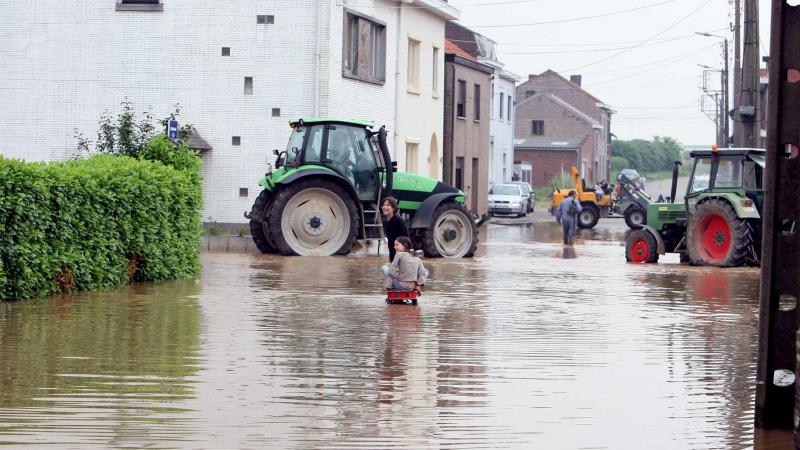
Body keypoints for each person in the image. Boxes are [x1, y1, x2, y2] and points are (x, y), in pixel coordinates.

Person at [381, 196, 408, 262]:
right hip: (392, 252)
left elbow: (406, 238)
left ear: (393, 208)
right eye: (384, 205)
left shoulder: (399, 221)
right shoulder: (385, 222)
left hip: (401, 254)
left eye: (388, 205)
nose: (385, 207)